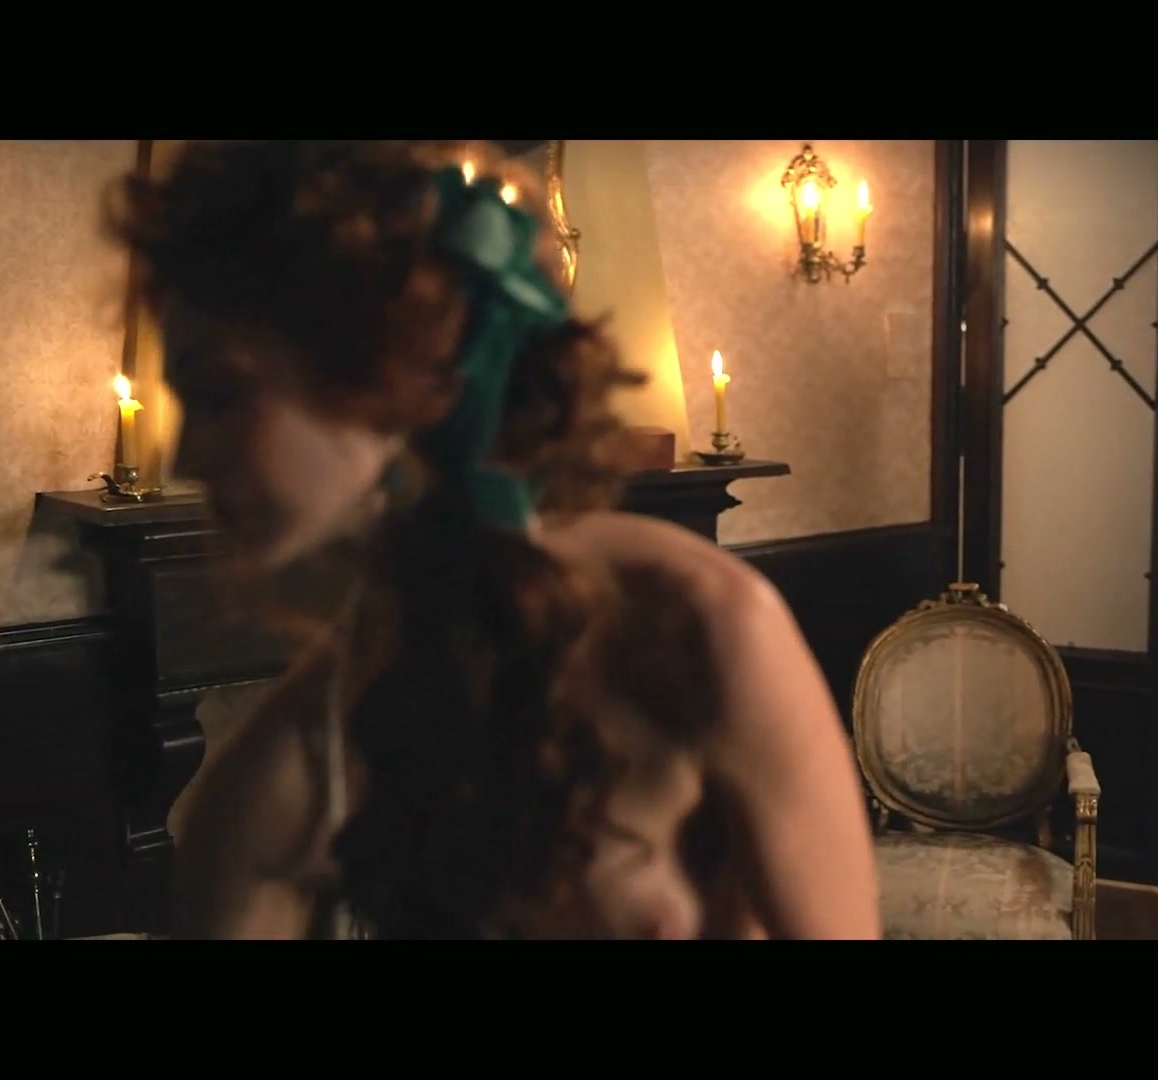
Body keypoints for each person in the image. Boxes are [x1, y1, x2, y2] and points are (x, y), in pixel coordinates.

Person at [104, 140, 880, 939]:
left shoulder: (698, 625)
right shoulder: (269, 793)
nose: (186, 455)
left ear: (401, 370)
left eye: (220, 392)